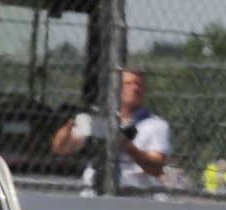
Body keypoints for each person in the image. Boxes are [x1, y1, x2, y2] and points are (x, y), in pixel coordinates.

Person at [51, 67, 171, 195]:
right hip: (92, 191)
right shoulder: (98, 118)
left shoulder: (156, 125)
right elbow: (61, 148)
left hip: (133, 194)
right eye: (128, 84)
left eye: (139, 84)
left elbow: (156, 168)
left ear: (145, 90)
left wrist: (127, 147)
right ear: (117, 88)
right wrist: (68, 126)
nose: (135, 88)